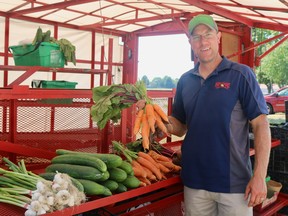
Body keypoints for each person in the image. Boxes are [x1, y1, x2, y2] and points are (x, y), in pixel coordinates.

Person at [166, 14, 271, 216]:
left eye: (208, 34)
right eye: (196, 37)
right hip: (195, 183)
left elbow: (261, 124)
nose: (203, 41)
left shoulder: (241, 74)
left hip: (234, 184)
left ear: (218, 37)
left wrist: (259, 175)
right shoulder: (185, 81)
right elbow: (180, 124)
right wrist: (160, 124)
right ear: (190, 43)